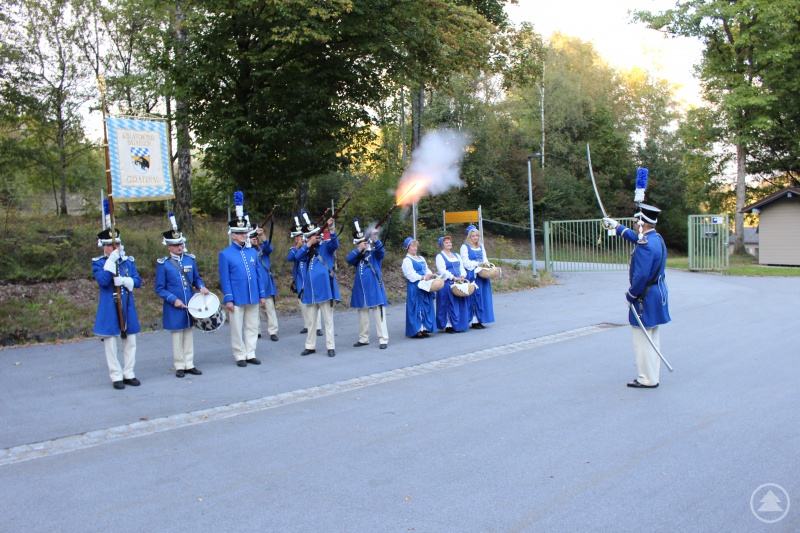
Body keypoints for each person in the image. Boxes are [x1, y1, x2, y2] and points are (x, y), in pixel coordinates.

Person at [604, 203, 670, 388]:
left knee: (643, 341)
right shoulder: (656, 238)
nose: (634, 225)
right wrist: (616, 226)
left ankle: (647, 379)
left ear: (642, 224)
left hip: (645, 296)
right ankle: (652, 376)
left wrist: (630, 296)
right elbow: (636, 238)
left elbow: (640, 277)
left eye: (636, 222)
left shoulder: (645, 246)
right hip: (657, 293)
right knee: (652, 338)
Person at [154, 213, 210, 378]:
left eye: (181, 243)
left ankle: (189, 363)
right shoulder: (163, 264)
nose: (180, 247)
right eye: (176, 245)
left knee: (188, 334)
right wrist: (173, 300)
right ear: (169, 247)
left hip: (190, 303)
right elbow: (160, 288)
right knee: (177, 336)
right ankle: (179, 365)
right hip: (175, 305)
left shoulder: (190, 260)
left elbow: (196, 279)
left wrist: (202, 287)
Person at [218, 192, 266, 367]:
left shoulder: (252, 252)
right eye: (239, 233)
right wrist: (228, 298)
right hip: (237, 296)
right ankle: (239, 354)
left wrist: (262, 294)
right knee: (237, 328)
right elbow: (225, 278)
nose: (244, 236)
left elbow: (258, 274)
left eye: (244, 232)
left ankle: (250, 352)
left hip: (253, 295)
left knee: (252, 325)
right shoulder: (225, 254)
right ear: (233, 235)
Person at [92, 226, 143, 390]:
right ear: (104, 247)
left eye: (118, 244)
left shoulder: (128, 262)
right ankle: (116, 375)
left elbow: (138, 281)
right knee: (111, 343)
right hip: (109, 306)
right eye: (113, 245)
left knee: (131, 341)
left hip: (127, 305)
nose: (117, 248)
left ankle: (129, 372)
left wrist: (126, 282)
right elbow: (103, 280)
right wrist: (110, 261)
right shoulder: (99, 263)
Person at [295, 212, 339, 357]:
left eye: (316, 234)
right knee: (311, 321)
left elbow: (335, 244)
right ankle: (310, 346)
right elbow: (296, 257)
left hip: (325, 289)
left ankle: (330, 346)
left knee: (328, 320)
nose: (316, 237)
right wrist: (308, 244)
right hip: (310, 291)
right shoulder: (307, 250)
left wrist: (331, 228)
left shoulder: (326, 246)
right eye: (312, 235)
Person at [346, 219, 388, 349]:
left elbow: (382, 251)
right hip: (361, 289)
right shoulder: (357, 256)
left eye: (364, 242)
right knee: (362, 315)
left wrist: (375, 236)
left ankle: (383, 339)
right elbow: (349, 259)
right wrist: (359, 249)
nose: (363, 244)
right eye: (360, 243)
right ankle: (364, 338)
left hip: (374, 287)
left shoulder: (374, 253)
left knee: (379, 315)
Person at [286, 215, 323, 337]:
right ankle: (307, 325)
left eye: (301, 236)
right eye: (297, 237)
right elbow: (290, 258)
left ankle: (317, 327)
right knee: (303, 305)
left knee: (314, 303)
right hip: (300, 280)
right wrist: (297, 247)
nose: (299, 238)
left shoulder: (310, 248)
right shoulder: (295, 249)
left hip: (310, 278)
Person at [460, 225, 495, 329]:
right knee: (474, 296)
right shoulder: (464, 247)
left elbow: (485, 259)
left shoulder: (481, 246)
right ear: (469, 237)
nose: (475, 238)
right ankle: (473, 320)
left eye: (476, 236)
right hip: (472, 274)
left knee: (483, 296)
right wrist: (477, 264)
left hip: (482, 275)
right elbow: (465, 263)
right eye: (473, 236)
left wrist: (488, 265)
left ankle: (481, 319)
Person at [401, 237, 436, 338]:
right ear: (408, 248)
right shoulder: (407, 260)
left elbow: (426, 269)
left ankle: (425, 328)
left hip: (425, 285)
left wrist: (430, 275)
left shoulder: (421, 258)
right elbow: (409, 274)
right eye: (412, 246)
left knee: (426, 306)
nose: (415, 248)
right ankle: (417, 329)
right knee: (417, 307)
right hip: (415, 285)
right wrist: (422, 277)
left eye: (416, 246)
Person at [435, 235, 470, 333]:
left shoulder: (457, 255)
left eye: (450, 242)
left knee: (459, 302)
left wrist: (462, 276)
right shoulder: (440, 256)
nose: (449, 244)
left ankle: (460, 324)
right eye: (446, 243)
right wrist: (454, 278)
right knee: (448, 303)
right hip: (447, 283)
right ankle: (449, 325)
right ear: (442, 245)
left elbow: (462, 267)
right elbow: (442, 271)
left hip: (459, 282)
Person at [250, 225, 279, 341]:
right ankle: (256, 331)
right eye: (252, 237)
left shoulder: (262, 248)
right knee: (254, 310)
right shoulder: (247, 251)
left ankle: (273, 331)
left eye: (255, 237)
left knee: (270, 308)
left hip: (266, 283)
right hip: (254, 284)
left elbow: (270, 248)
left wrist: (262, 235)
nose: (255, 239)